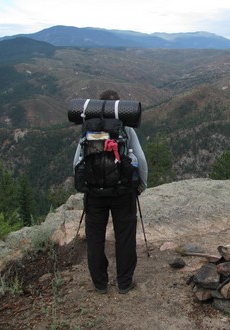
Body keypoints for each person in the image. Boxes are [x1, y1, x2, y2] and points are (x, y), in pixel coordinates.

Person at [73, 89, 148, 294]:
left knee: (95, 238)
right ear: (119, 108)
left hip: (95, 194)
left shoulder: (88, 127)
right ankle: (124, 282)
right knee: (125, 236)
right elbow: (140, 159)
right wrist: (141, 183)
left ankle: (100, 283)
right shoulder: (125, 127)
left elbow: (76, 162)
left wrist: (86, 184)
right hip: (122, 192)